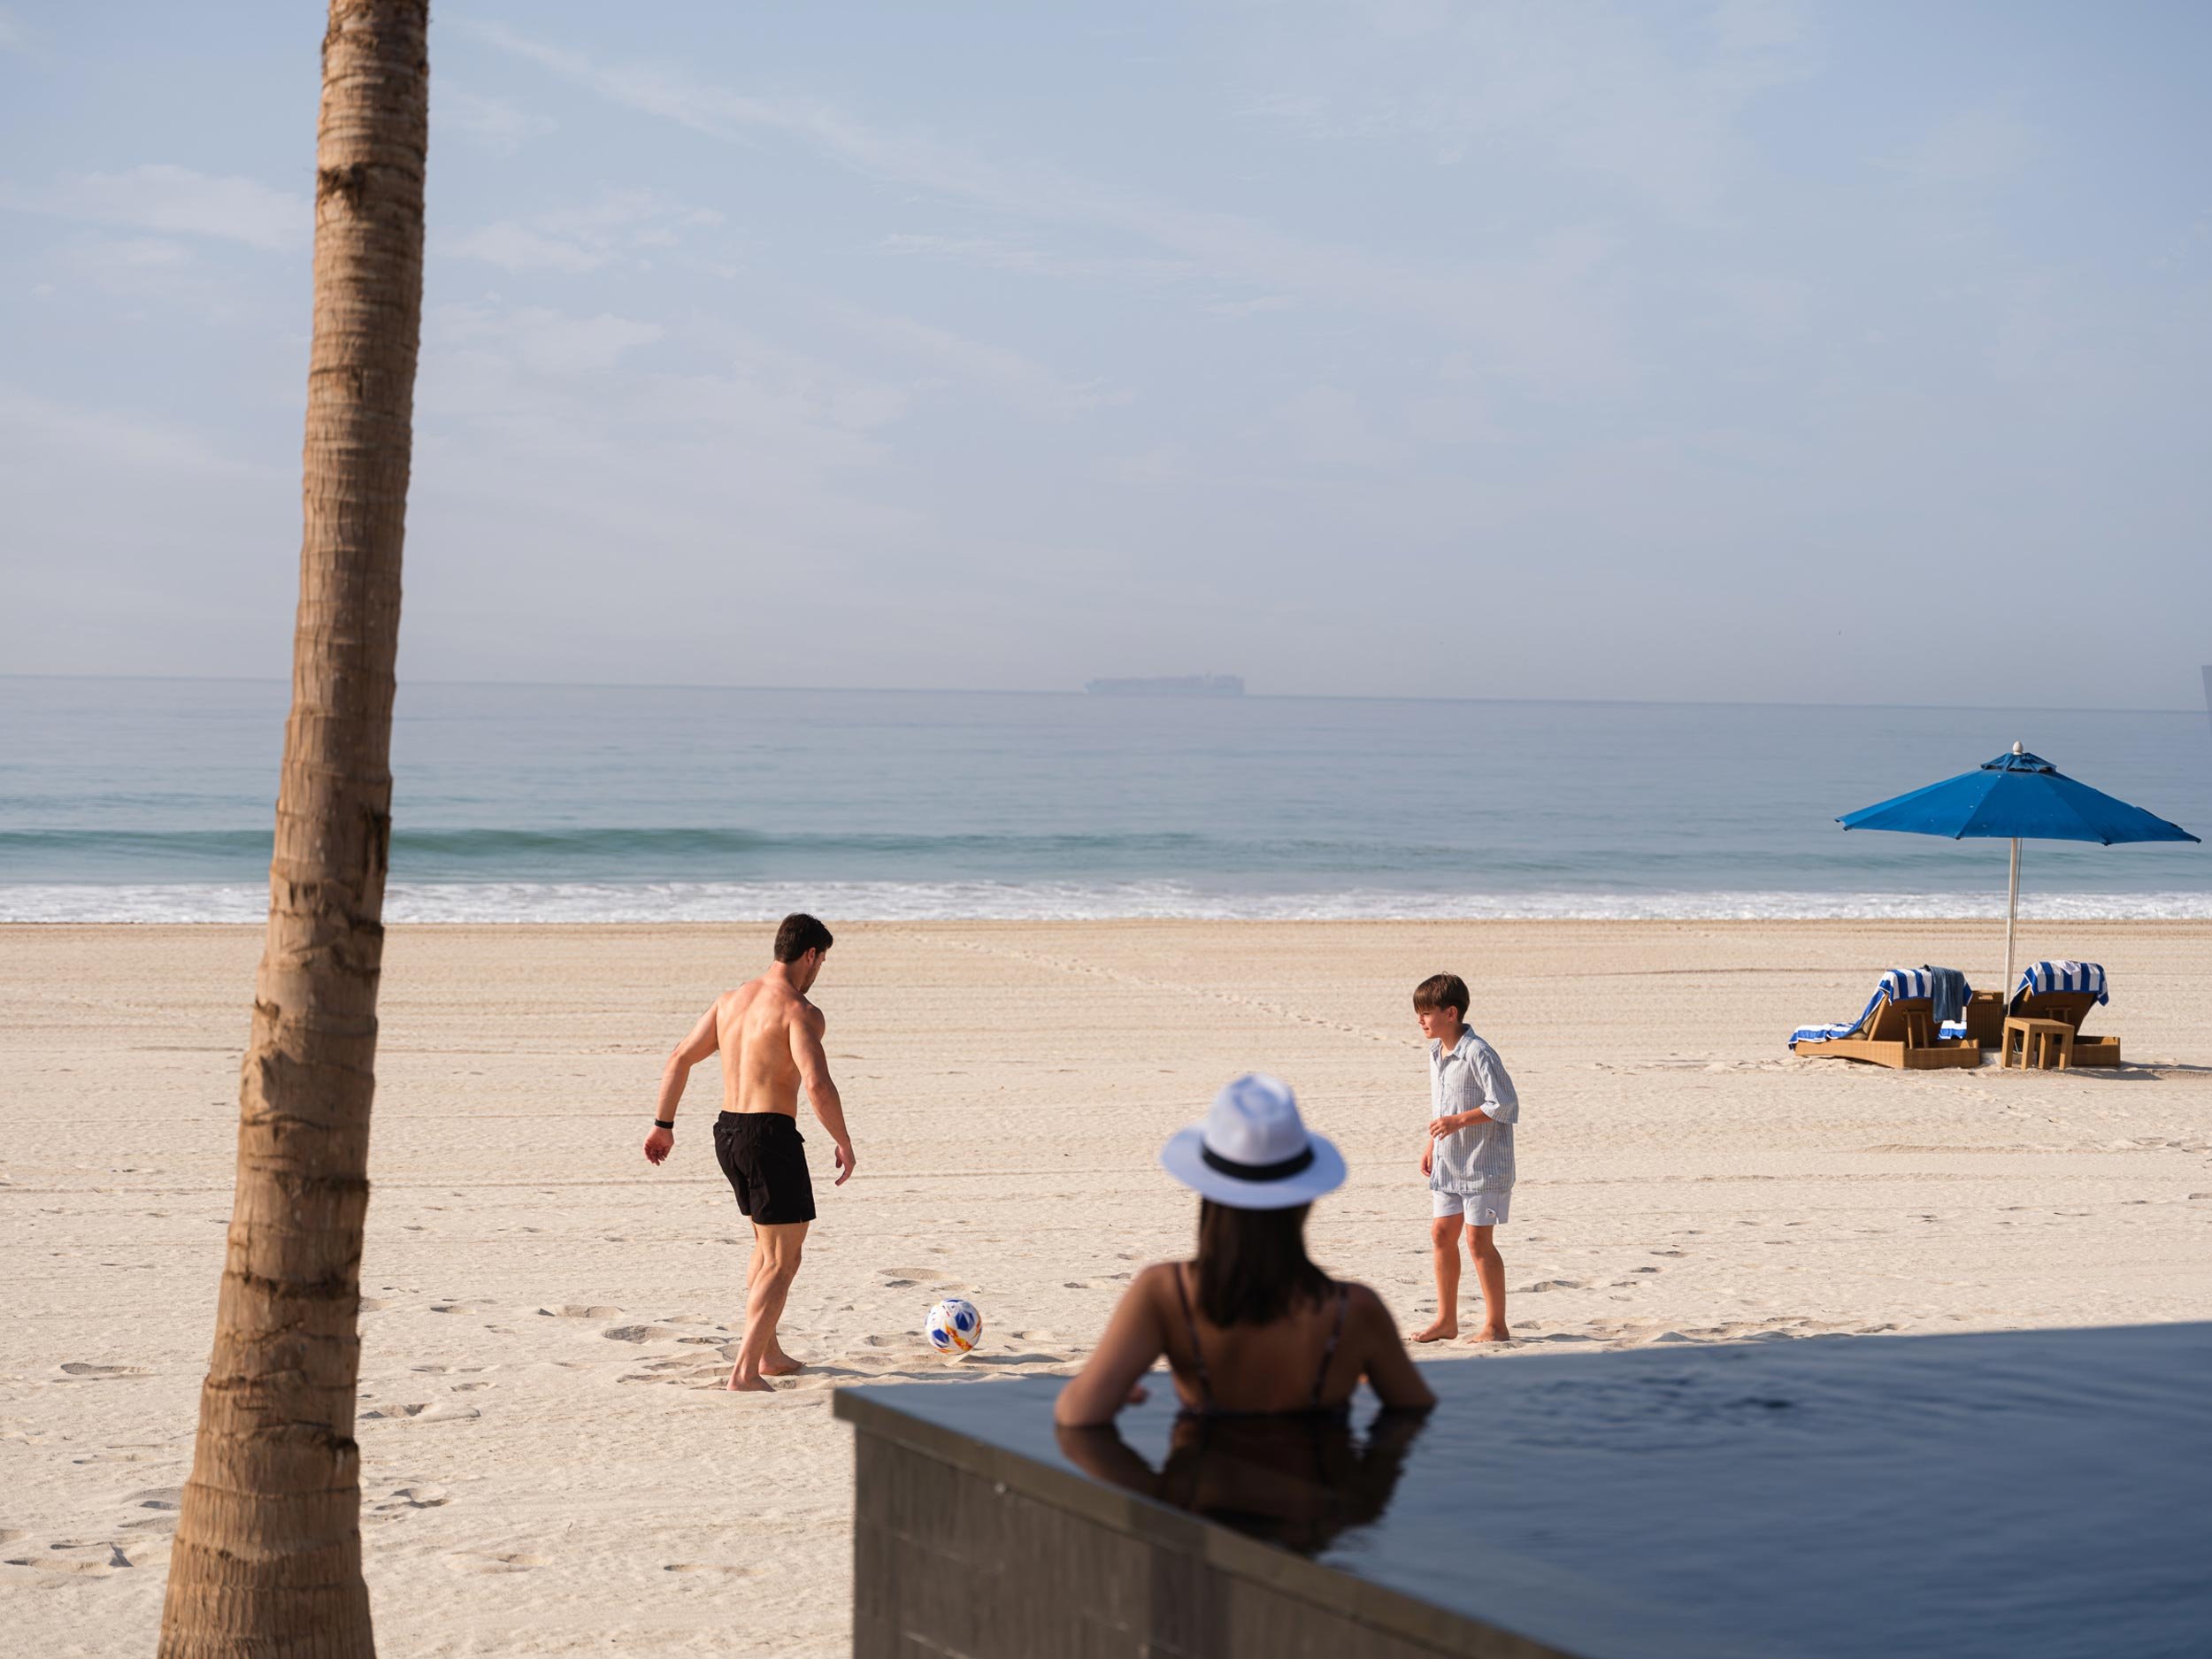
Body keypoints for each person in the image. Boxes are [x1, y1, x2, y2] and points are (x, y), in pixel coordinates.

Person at [1055, 1073, 1433, 1426]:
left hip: (1200, 1494)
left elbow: (1077, 1414)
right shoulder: (1354, 1309)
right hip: (1316, 1494)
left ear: (1209, 1193)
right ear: (1305, 1201)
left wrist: (1155, 1486)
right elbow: (1416, 1416)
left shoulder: (1165, 1292)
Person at [642, 912, 855, 1393]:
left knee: (766, 1247)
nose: (819, 970)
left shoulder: (730, 1001)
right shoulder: (800, 1012)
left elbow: (680, 1057)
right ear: (810, 955)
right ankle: (744, 1370)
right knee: (784, 1260)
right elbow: (817, 1083)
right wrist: (842, 1140)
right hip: (771, 1136)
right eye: (822, 960)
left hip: (728, 1133)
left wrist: (663, 1126)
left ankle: (769, 1353)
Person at [1410, 972, 1517, 1344]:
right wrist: (1432, 1144)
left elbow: (1504, 1104)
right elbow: (1443, 1105)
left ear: (1451, 1012)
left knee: (1477, 1242)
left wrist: (1458, 1121)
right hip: (1448, 1162)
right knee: (1441, 1234)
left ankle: (1496, 1326)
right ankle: (1446, 1321)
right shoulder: (1435, 1053)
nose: (1420, 1020)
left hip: (1484, 1166)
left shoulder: (1478, 1052)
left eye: (1426, 1013)